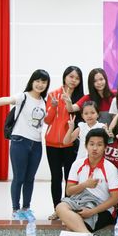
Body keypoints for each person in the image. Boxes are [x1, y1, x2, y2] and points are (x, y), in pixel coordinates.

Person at [0, 69, 50, 220]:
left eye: (43, 82)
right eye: (37, 81)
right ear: (32, 81)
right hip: (20, 141)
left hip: (37, 144)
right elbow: (6, 99)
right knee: (19, 177)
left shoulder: (44, 102)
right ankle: (15, 209)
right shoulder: (23, 96)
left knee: (30, 178)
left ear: (47, 84)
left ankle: (26, 208)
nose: (40, 84)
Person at [55, 128, 118, 232]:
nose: (95, 148)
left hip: (102, 208)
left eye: (99, 145)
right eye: (91, 144)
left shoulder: (110, 168)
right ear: (86, 146)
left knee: (72, 227)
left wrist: (92, 211)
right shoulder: (77, 164)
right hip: (79, 201)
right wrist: (85, 185)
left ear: (105, 147)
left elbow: (115, 199)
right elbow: (69, 191)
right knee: (60, 207)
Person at [44, 66, 84, 220]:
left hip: (70, 144)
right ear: (65, 77)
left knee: (70, 178)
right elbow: (47, 120)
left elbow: (81, 121)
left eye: (77, 78)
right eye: (71, 76)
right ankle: (57, 209)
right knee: (56, 177)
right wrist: (53, 107)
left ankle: (67, 208)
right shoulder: (53, 94)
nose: (73, 80)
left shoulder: (80, 97)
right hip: (52, 143)